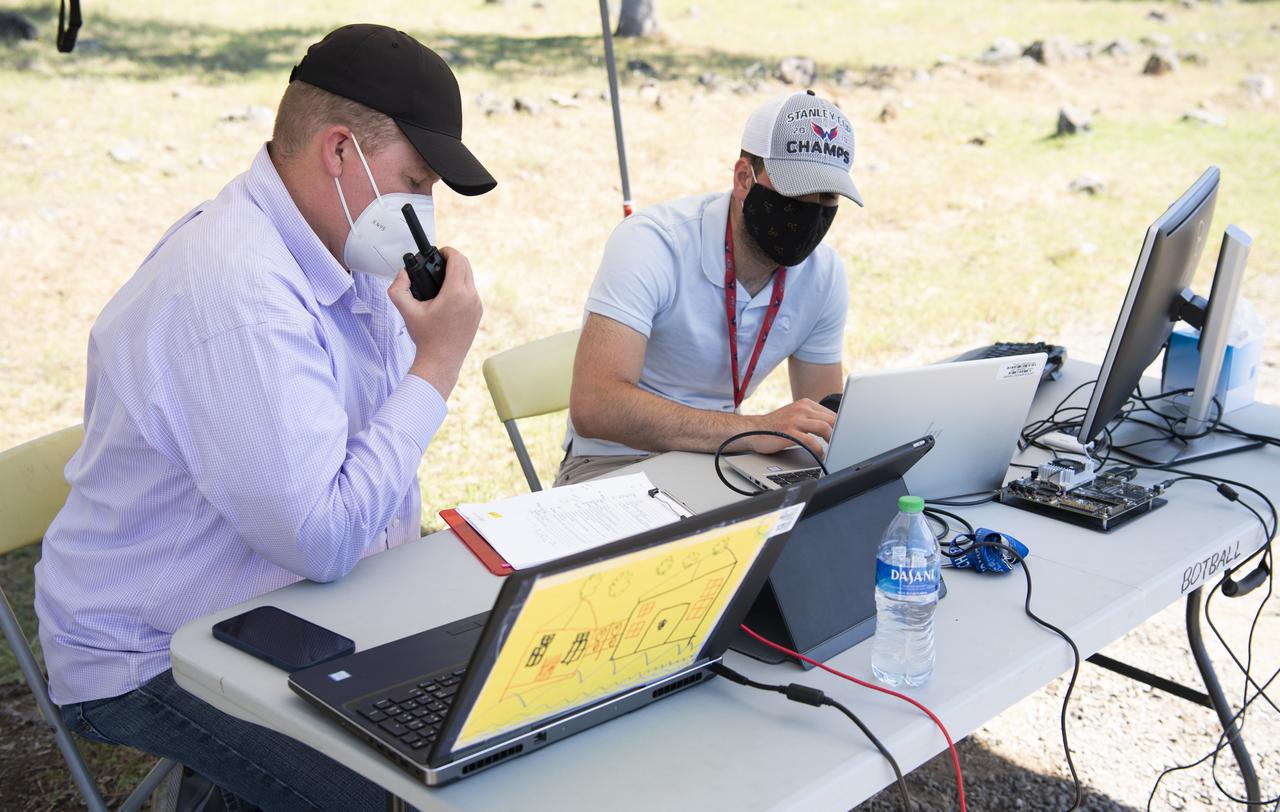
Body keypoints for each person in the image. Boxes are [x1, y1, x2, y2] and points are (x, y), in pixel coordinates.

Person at [34, 25, 492, 810]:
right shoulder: (237, 294)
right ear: (340, 153)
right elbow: (320, 536)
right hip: (153, 649)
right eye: (416, 181)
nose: (425, 210)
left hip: (289, 609)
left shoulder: (338, 244)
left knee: (471, 724)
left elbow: (354, 507)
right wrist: (437, 365)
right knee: (393, 789)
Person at [558, 90, 861, 486]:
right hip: (614, 461)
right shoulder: (653, 243)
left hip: (724, 459)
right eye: (795, 190)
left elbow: (824, 420)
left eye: (827, 196)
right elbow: (595, 405)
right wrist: (753, 430)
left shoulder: (824, 274)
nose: (811, 210)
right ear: (742, 178)